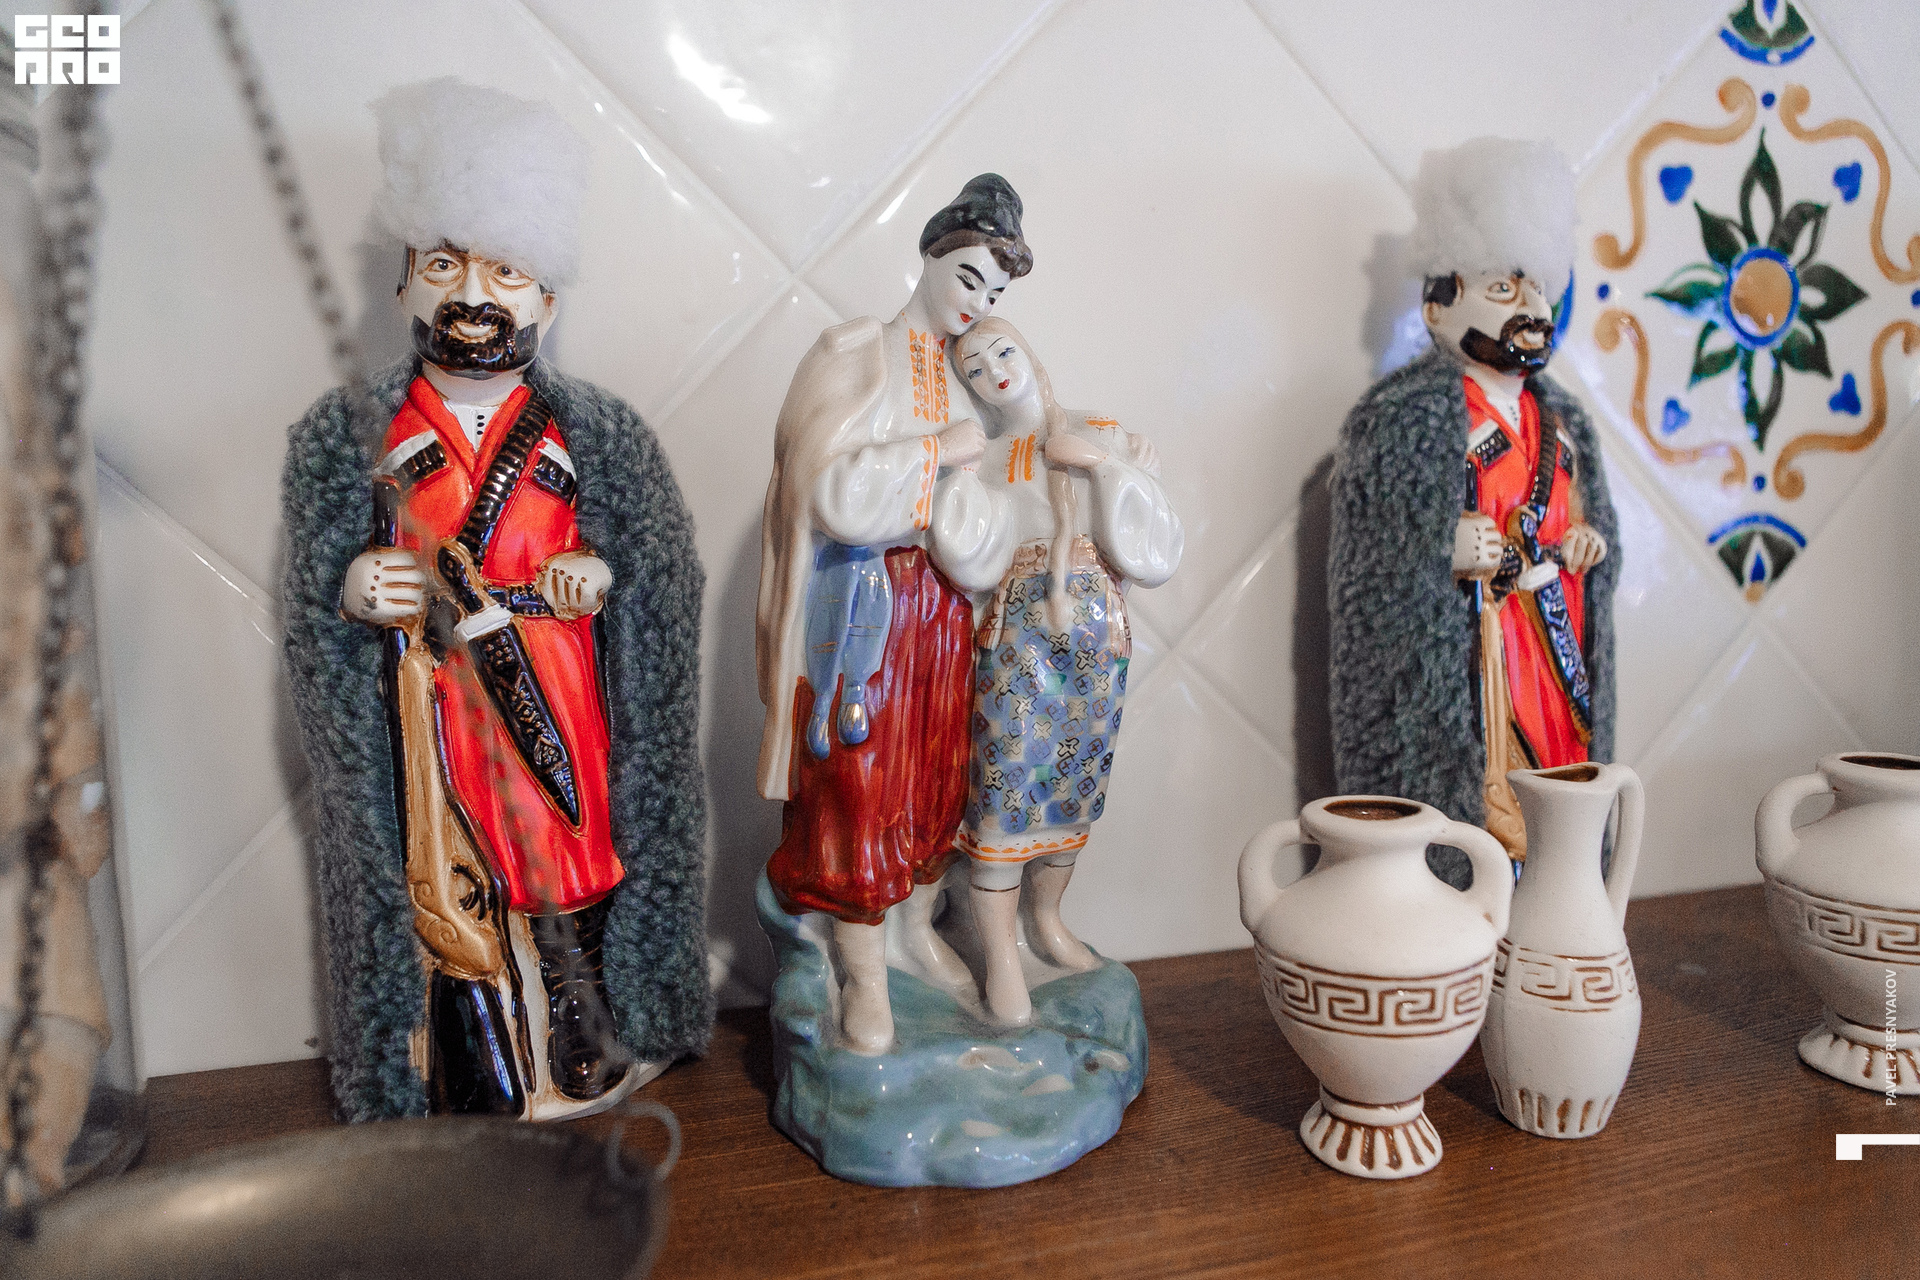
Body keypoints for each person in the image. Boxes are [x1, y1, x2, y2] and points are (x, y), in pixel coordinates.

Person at [283, 79, 709, 1122]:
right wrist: (355, 587)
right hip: (433, 693)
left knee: (569, 840)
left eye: (505, 271)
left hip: (555, 679)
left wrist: (599, 573)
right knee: (452, 862)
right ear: (404, 286)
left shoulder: (596, 435)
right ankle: (472, 1039)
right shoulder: (356, 434)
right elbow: (318, 586)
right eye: (445, 266)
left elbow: (654, 567)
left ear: (546, 300)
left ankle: (579, 1009)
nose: (473, 294)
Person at [756, 175, 1027, 1053]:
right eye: (969, 277)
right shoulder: (856, 353)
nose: (977, 304)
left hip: (941, 612)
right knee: (858, 782)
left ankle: (915, 934)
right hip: (859, 607)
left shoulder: (966, 380)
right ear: (932, 256)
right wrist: (933, 454)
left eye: (995, 292)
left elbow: (979, 516)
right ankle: (862, 974)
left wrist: (973, 506)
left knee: (937, 775)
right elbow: (827, 491)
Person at [1329, 137, 1619, 871]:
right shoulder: (1403, 419)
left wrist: (1586, 542)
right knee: (1485, 807)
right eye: (1503, 290)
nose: (1532, 309)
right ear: (1438, 305)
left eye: (1539, 290)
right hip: (1483, 654)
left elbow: (1587, 527)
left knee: (1559, 791)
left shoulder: (1565, 421)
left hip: (1554, 639)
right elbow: (1369, 570)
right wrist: (1441, 548)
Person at [949, 317, 1182, 1024]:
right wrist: (957, 479)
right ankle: (1001, 958)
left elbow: (1152, 540)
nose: (994, 372)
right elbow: (968, 555)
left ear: (1028, 351)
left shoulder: (1097, 427)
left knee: (1075, 780)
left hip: (1093, 627)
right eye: (975, 367)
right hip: (1019, 628)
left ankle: (1046, 921)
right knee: (1006, 783)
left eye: (1002, 352)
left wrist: (1107, 465)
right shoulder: (987, 454)